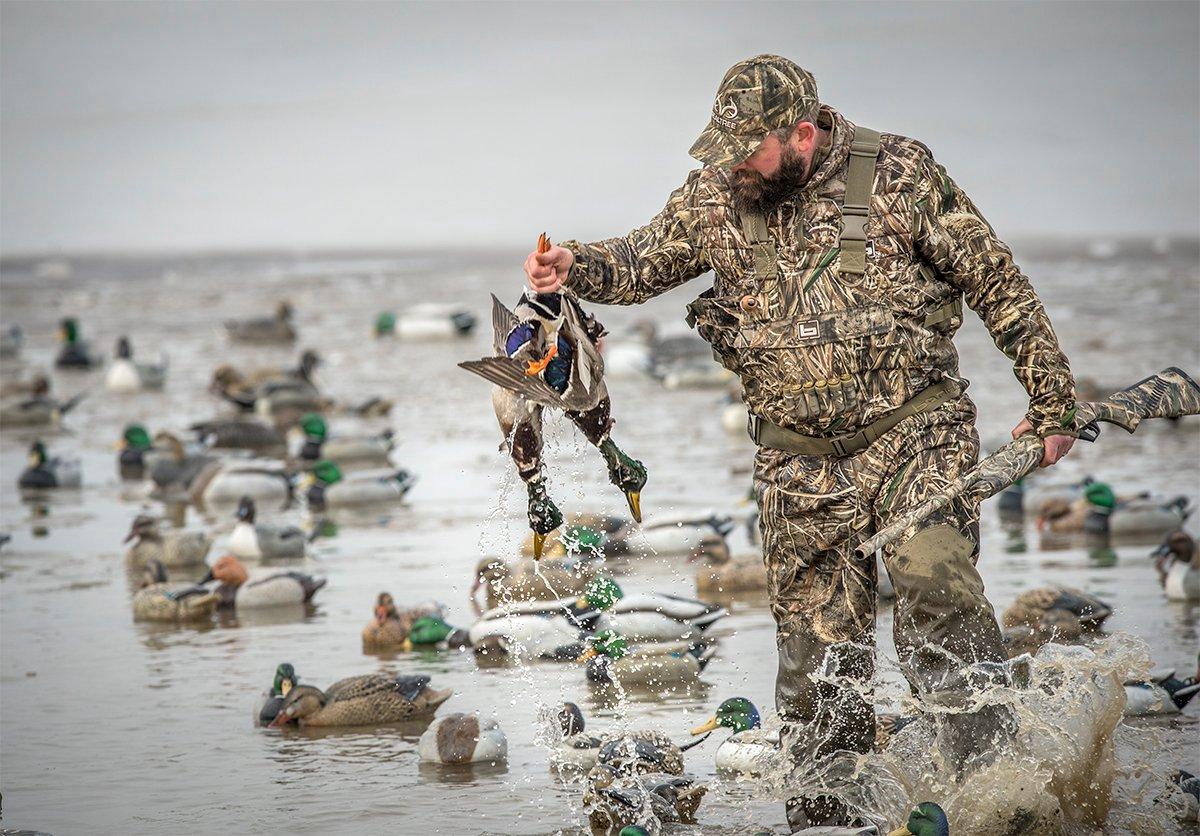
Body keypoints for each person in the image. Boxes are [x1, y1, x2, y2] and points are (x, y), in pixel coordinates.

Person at [523, 54, 1076, 830]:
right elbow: (647, 258)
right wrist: (576, 265)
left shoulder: (902, 174)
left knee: (938, 597)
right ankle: (827, 822)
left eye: (747, 149)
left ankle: (1000, 802)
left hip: (916, 433)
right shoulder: (720, 193)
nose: (731, 166)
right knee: (817, 667)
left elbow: (998, 284)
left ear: (804, 134)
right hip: (796, 461)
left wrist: (1052, 403)